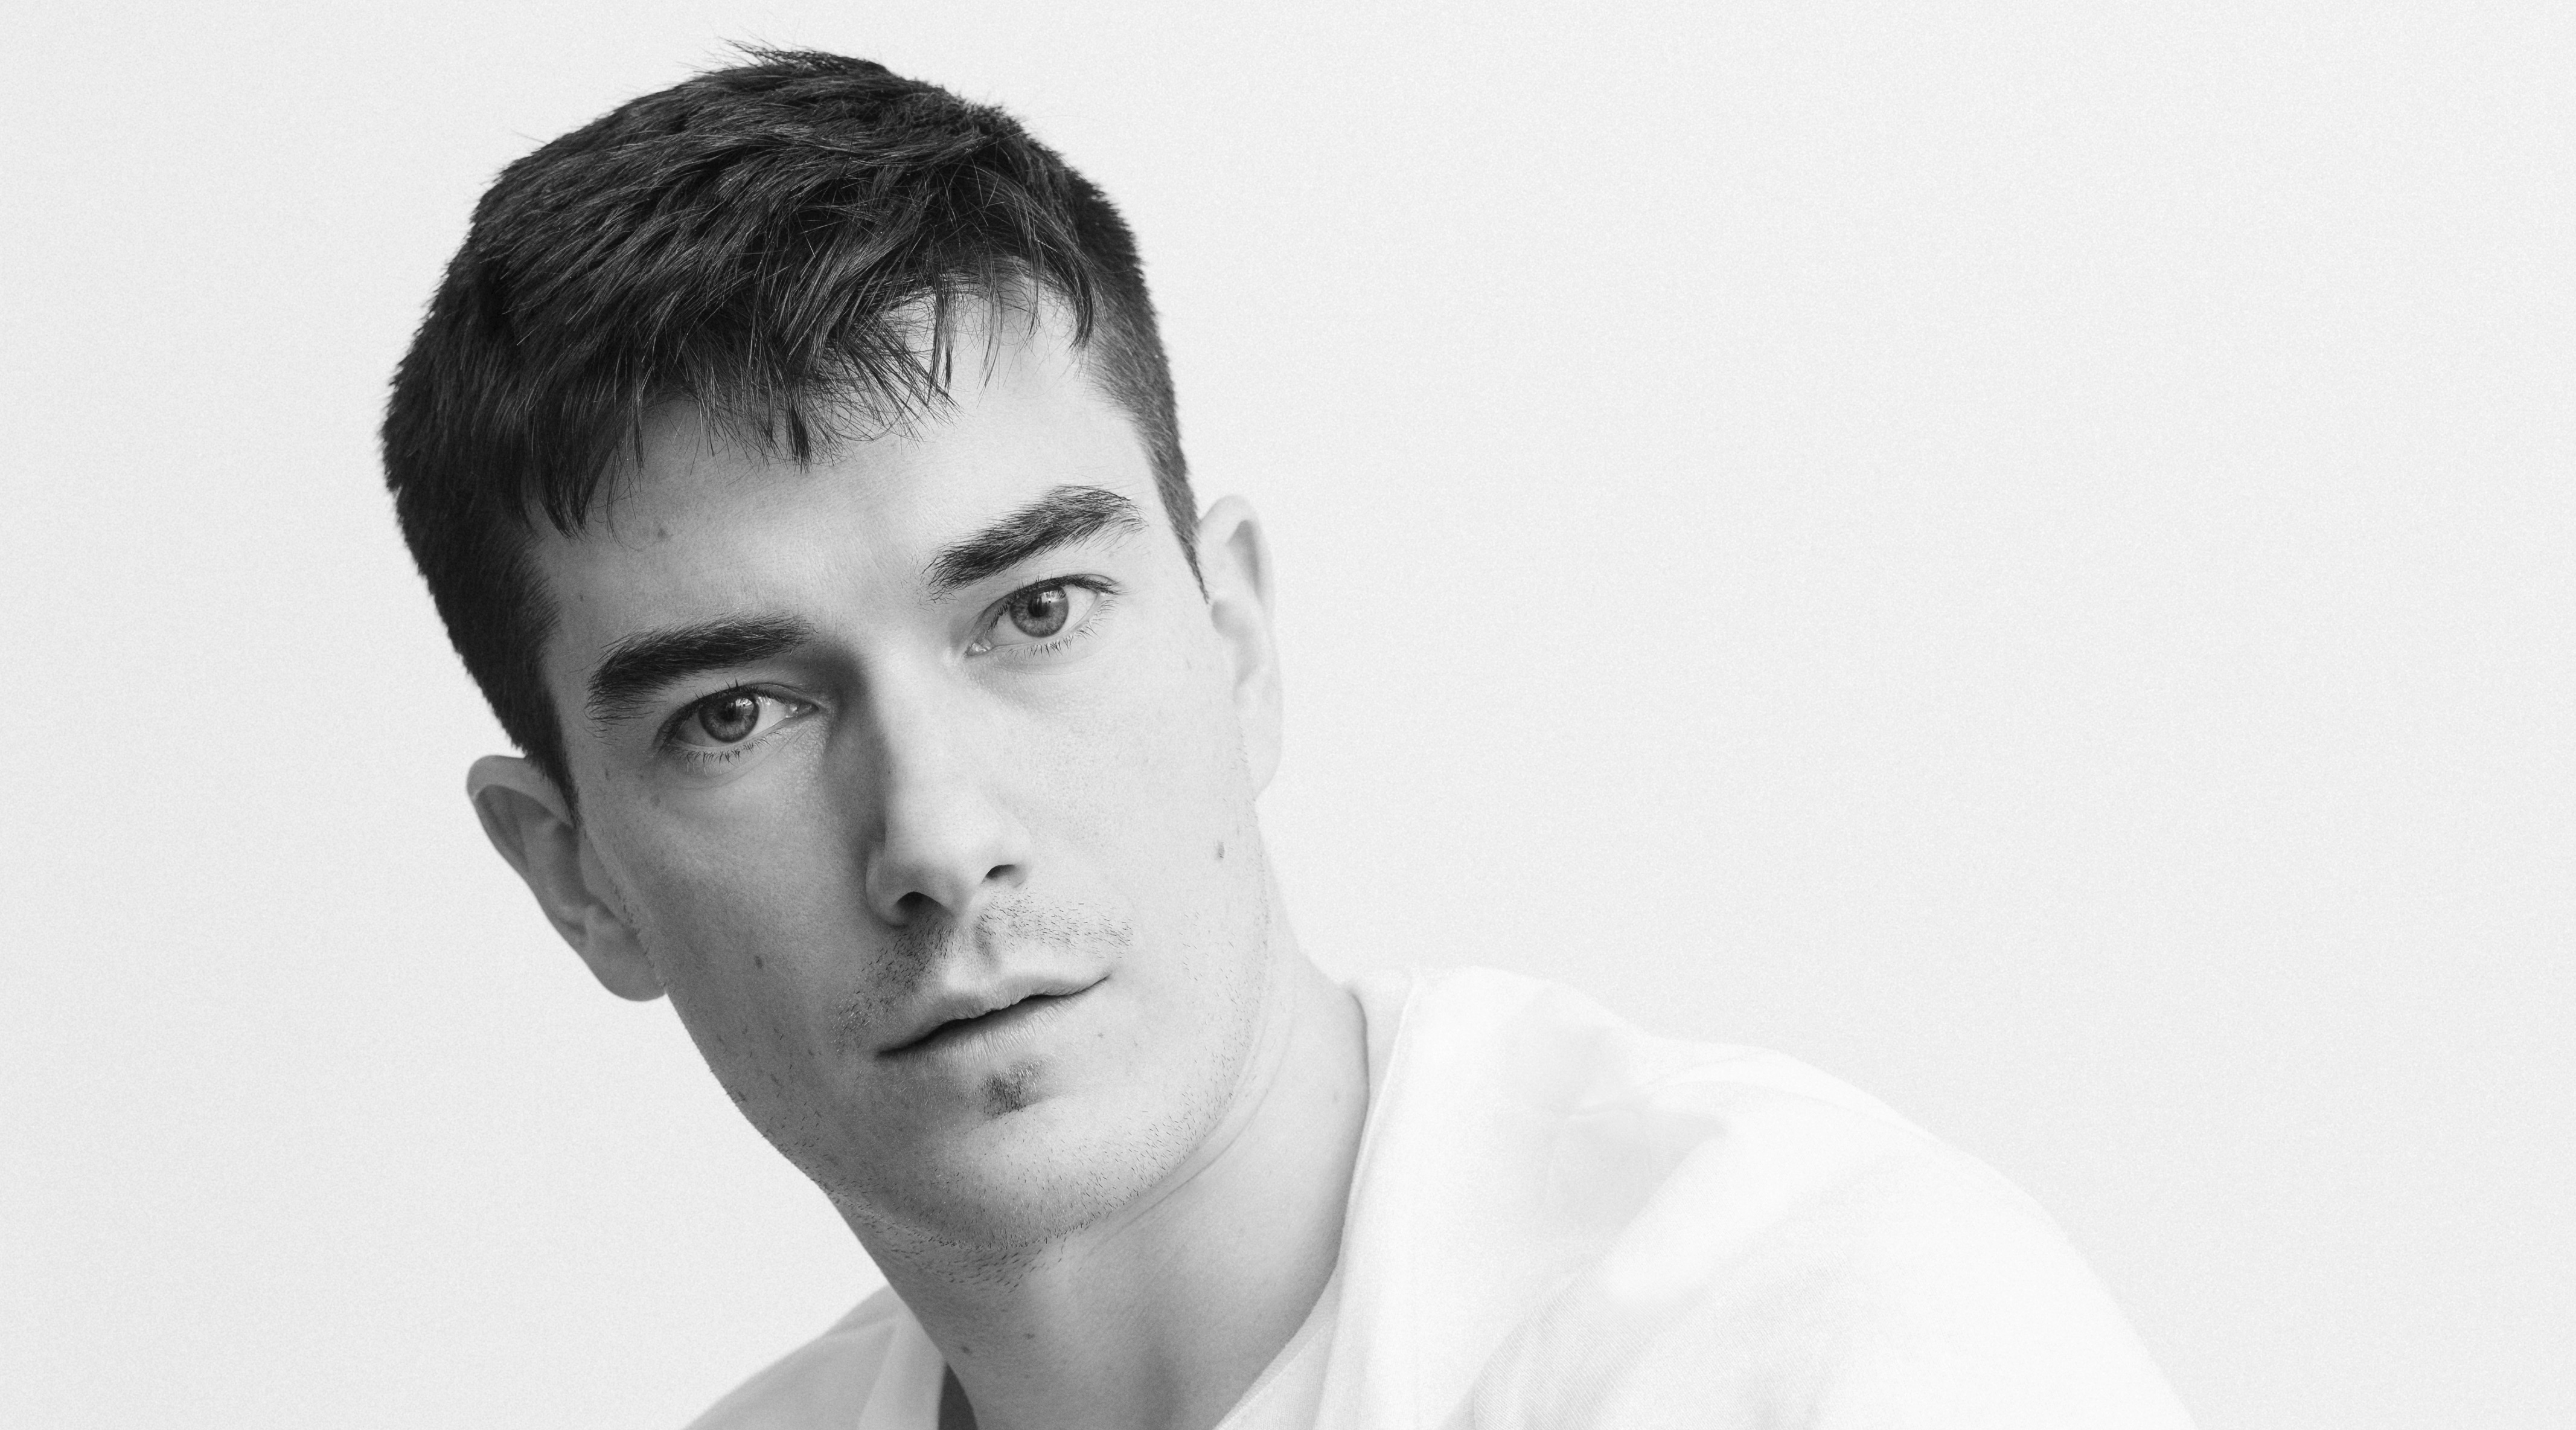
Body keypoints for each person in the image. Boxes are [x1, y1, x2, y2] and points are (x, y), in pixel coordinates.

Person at [381, 49, 2194, 1430]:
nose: (935, 835)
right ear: (576, 878)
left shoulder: (1817, 1352)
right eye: (738, 715)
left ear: (1235, 636)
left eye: (1035, 612)